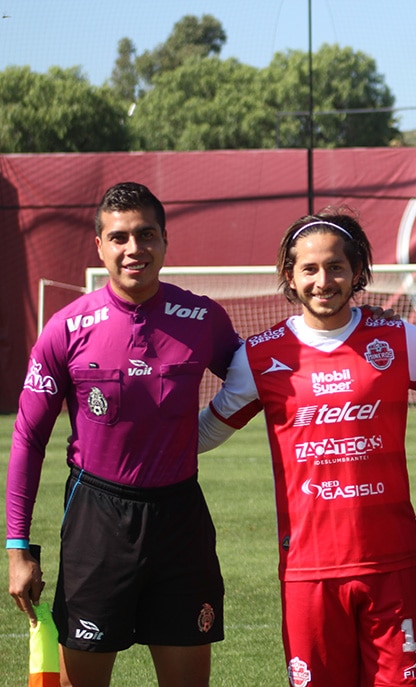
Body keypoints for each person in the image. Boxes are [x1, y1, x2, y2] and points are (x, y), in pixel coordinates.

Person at [197, 209, 416, 686]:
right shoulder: (258, 356)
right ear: (289, 277)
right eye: (310, 269)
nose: (324, 280)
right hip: (308, 571)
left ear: (357, 272)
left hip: (391, 563)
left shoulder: (396, 339)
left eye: (336, 267)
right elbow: (207, 432)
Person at [6, 181, 241, 686]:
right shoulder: (65, 329)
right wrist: (17, 548)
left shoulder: (203, 318)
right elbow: (28, 437)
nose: (134, 248)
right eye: (119, 238)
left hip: (181, 518)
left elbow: (254, 375)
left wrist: (211, 427)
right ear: (100, 246)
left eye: (146, 234)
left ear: (164, 241)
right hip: (97, 518)